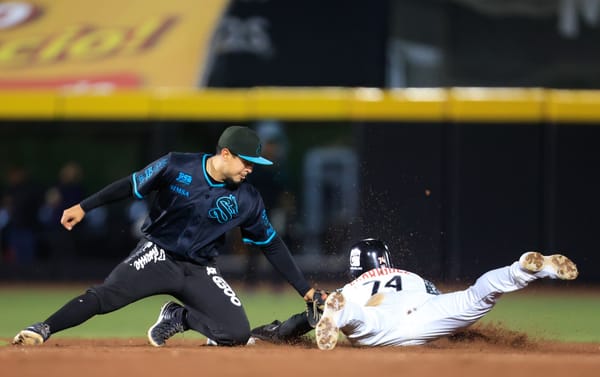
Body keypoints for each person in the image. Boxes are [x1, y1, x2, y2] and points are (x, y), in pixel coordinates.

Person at [12, 126, 325, 347]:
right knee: (106, 297)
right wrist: (84, 206)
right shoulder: (177, 165)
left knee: (236, 333)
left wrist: (305, 290)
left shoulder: (249, 198)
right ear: (226, 154)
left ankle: (179, 316)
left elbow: (271, 244)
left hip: (200, 269)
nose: (250, 170)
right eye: (247, 162)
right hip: (157, 255)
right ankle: (45, 327)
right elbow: (130, 184)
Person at [315, 250, 578, 350]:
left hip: (384, 321)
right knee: (475, 297)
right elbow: (434, 297)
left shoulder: (351, 285)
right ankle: (519, 271)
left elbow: (303, 320)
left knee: (361, 321)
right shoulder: (410, 275)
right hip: (425, 310)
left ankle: (340, 311)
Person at [250, 238, 441, 344]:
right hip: (421, 328)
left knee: (330, 309)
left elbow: (307, 319)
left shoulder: (352, 288)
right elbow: (440, 304)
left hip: (381, 335)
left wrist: (277, 331)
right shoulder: (416, 279)